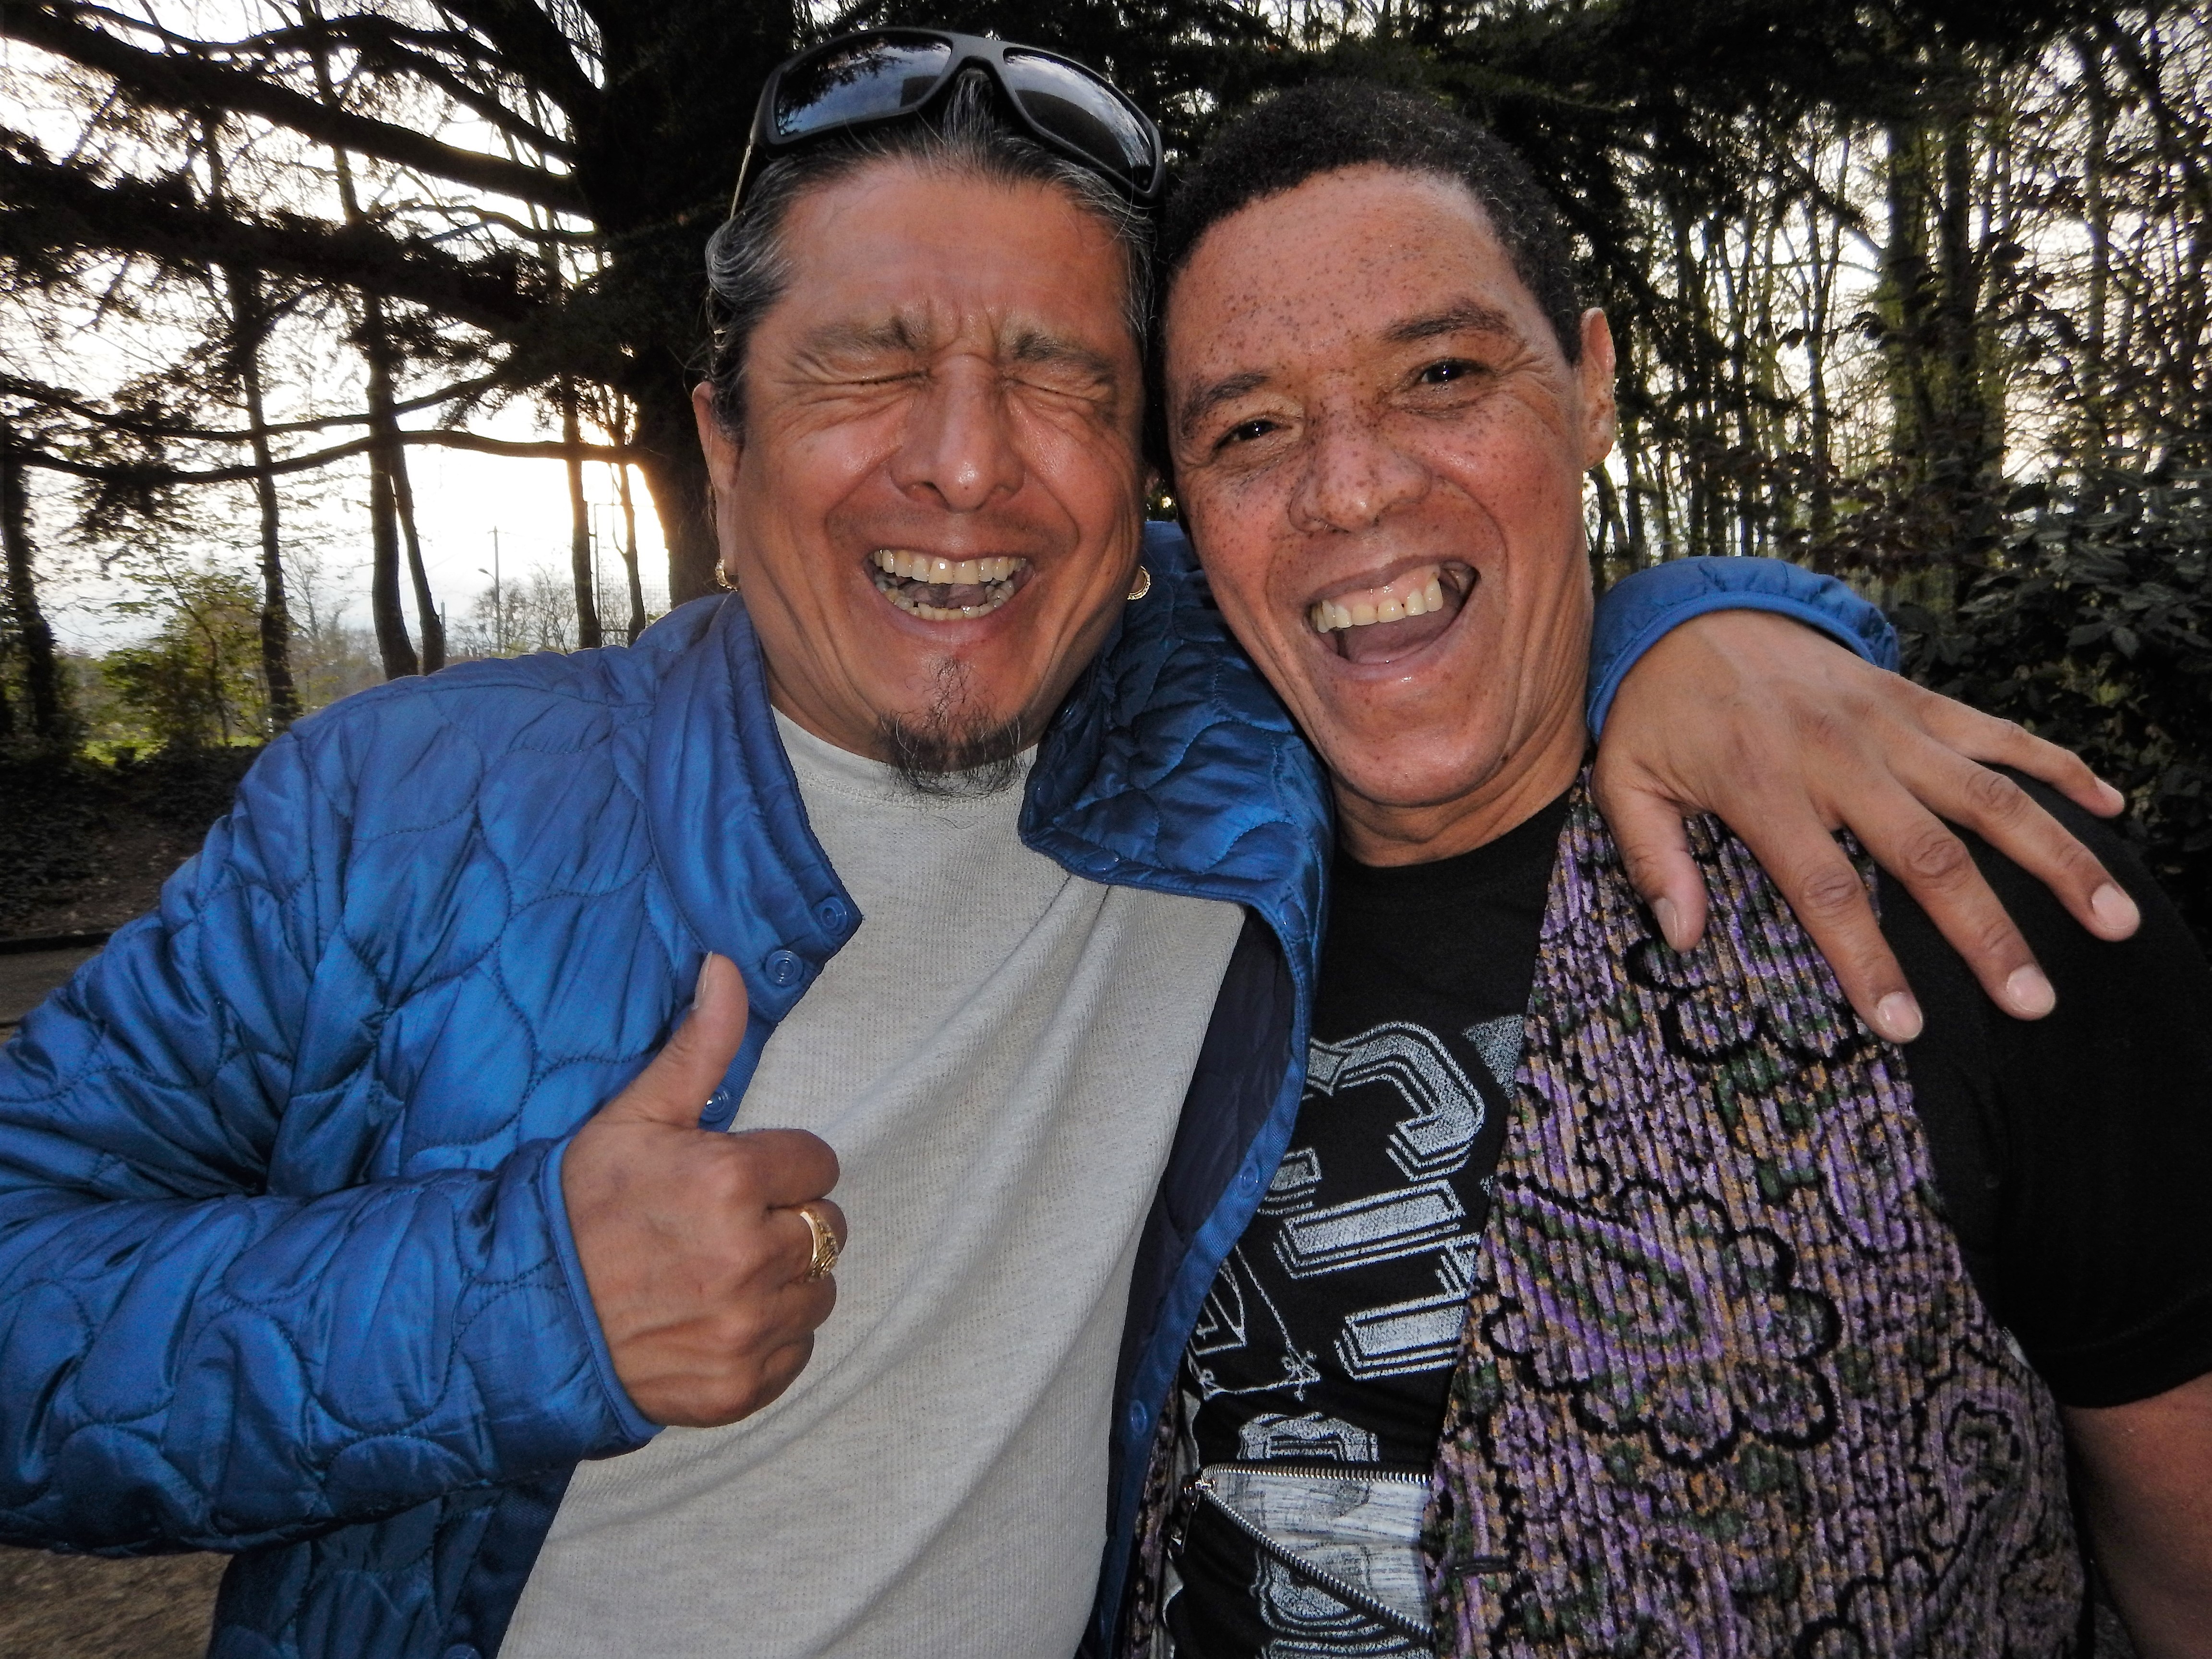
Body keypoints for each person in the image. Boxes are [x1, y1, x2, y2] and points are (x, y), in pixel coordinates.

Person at [0, 36, 2138, 1659]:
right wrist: (509, 1302)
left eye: (1058, 382)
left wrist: (1718, 629)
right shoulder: (399, 808)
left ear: (1142, 484)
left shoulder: (1213, 730)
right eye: (866, 370)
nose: (965, 468)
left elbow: (1435, 561)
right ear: (722, 440)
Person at [1126, 82, 2212, 1659]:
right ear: (1178, 497)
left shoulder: (1955, 888)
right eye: (1249, 429)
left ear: (1592, 385)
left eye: (1442, 374)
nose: (1349, 488)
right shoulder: (1119, 906)